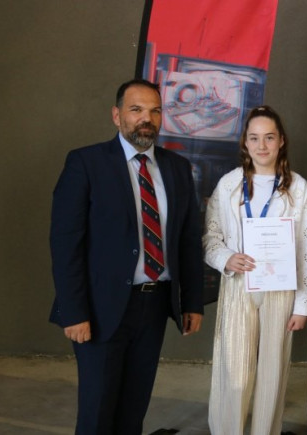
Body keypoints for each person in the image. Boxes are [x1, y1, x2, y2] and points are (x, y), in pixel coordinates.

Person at [49, 78, 204, 434]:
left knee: (134, 411)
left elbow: (187, 241)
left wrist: (193, 301)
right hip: (99, 308)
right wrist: (74, 311)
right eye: (136, 110)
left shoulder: (178, 168)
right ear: (117, 116)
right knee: (97, 413)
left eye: (154, 111)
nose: (146, 118)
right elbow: (65, 243)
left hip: (155, 305)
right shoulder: (85, 163)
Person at [203, 106, 307, 434]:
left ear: (281, 141)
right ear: (245, 143)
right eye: (254, 138)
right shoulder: (229, 185)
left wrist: (303, 304)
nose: (262, 145)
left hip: (282, 288)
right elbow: (210, 236)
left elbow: (305, 249)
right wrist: (226, 257)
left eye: (269, 137)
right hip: (239, 284)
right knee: (234, 375)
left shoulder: (298, 188)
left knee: (272, 374)